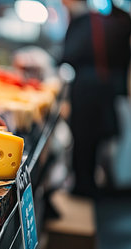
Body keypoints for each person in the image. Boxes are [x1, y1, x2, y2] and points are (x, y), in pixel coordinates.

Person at [61, 0, 131, 197]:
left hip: (86, 89)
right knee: (96, 140)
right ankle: (90, 183)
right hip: (108, 88)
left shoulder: (84, 21)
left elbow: (68, 55)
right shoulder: (119, 22)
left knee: (83, 139)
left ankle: (82, 186)